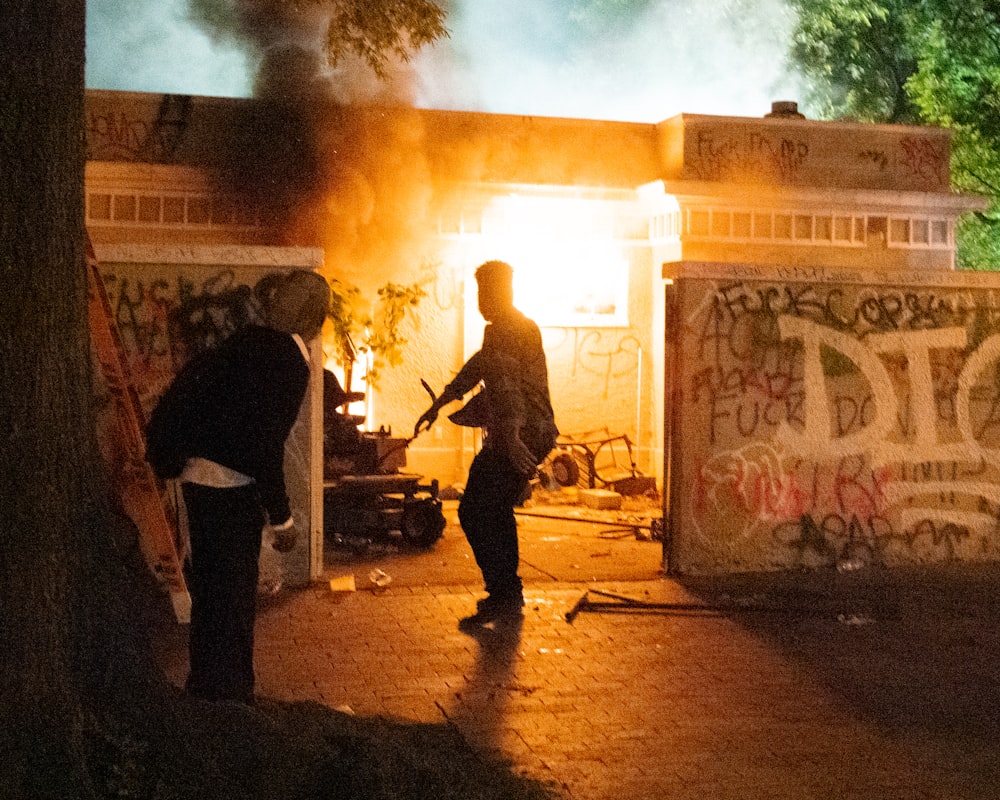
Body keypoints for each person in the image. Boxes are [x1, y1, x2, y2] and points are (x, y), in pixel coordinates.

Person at [145, 269, 330, 704]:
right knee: (234, 598)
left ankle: (206, 685)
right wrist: (282, 518)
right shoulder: (287, 361)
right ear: (315, 318)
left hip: (197, 478)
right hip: (231, 486)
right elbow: (265, 444)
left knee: (210, 591)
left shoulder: (245, 341)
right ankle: (231, 694)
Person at [415, 260, 558, 626]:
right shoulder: (500, 330)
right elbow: (480, 366)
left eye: (486, 292)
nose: (481, 301)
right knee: (489, 509)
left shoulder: (513, 329)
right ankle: (505, 592)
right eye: (479, 293)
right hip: (520, 432)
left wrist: (509, 437)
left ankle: (505, 593)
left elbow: (508, 386)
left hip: (524, 433)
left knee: (478, 509)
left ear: (503, 292)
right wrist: (441, 401)